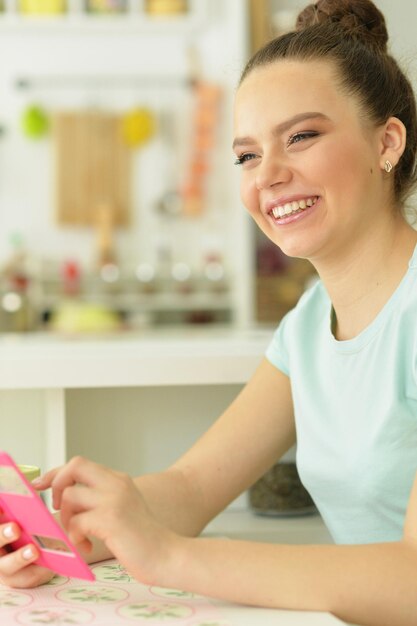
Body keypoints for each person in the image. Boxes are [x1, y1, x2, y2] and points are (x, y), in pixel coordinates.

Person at [1, 0, 417, 623]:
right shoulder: (309, 324)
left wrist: (168, 556)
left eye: (301, 137)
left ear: (386, 142)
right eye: (247, 155)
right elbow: (193, 487)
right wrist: (72, 528)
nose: (268, 176)